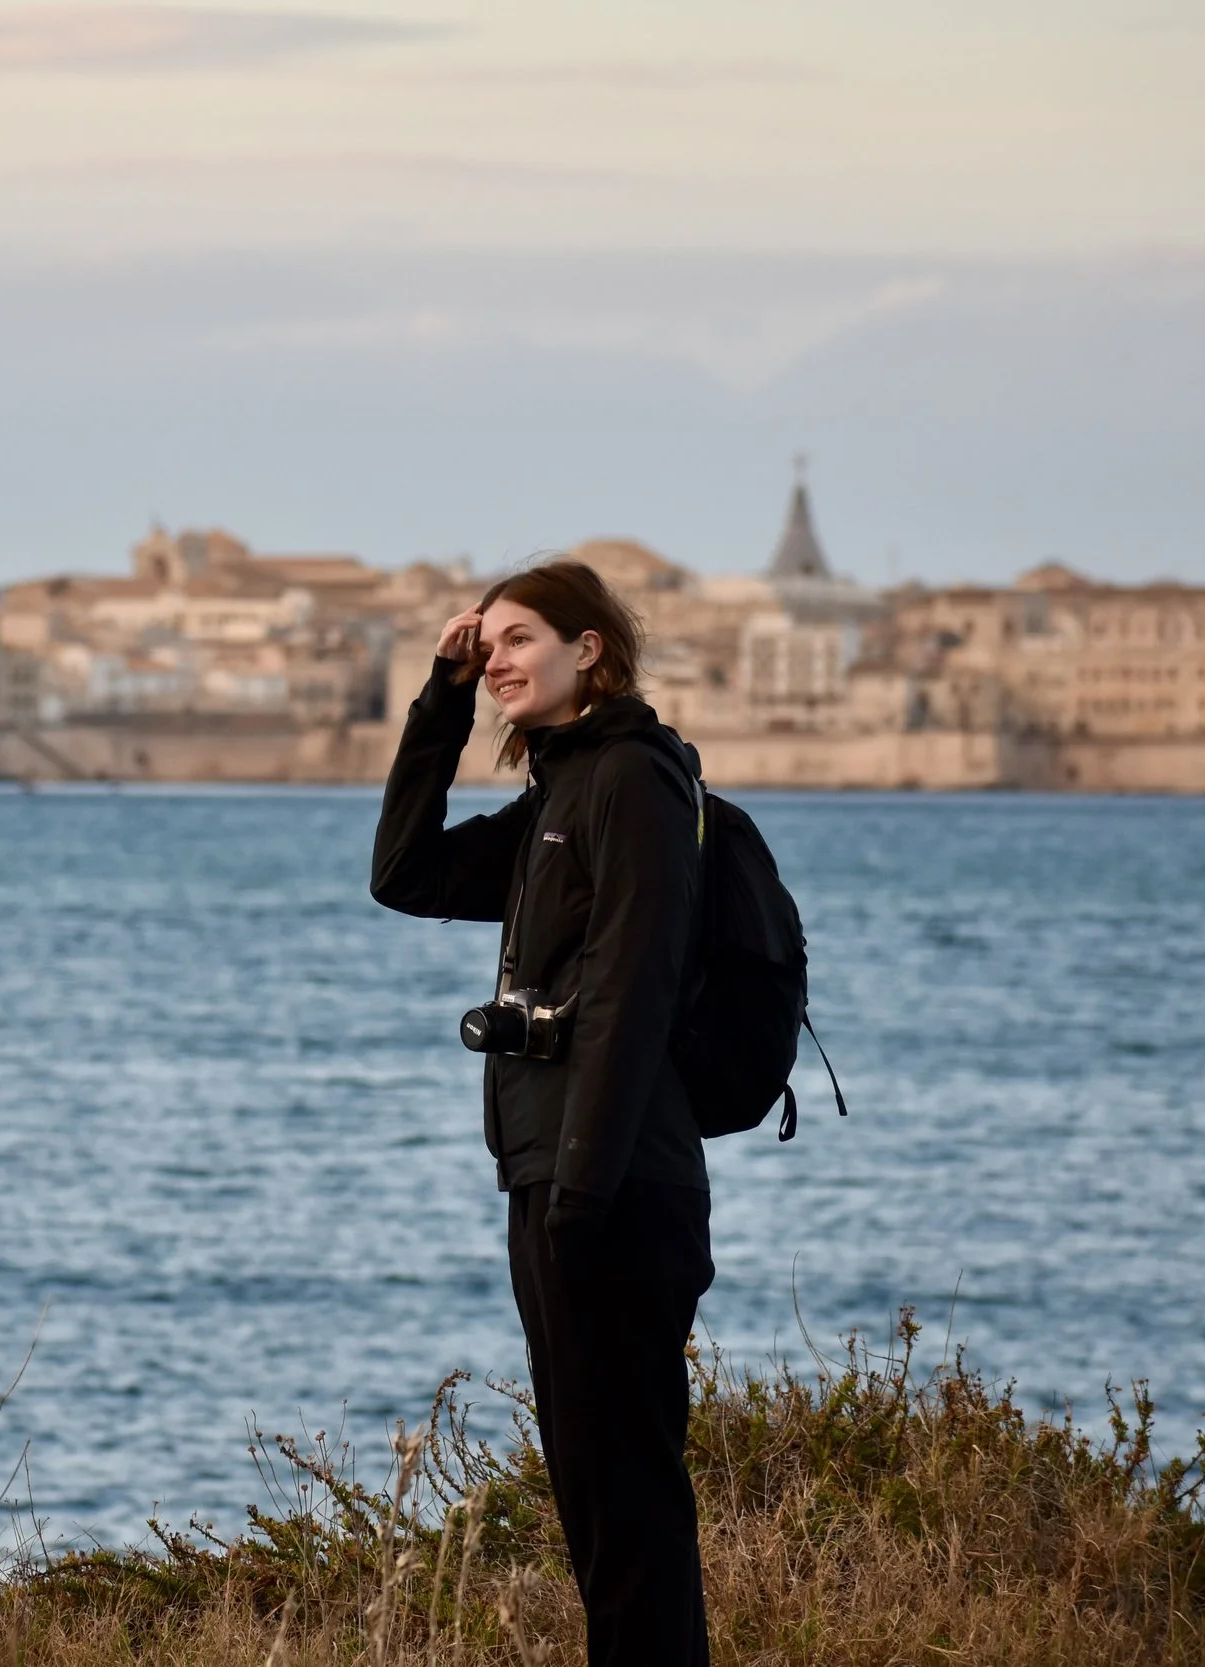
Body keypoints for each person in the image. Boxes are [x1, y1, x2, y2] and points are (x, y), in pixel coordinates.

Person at [370, 561, 713, 1665]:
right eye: (492, 641)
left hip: (609, 1183)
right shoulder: (557, 797)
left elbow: (632, 988)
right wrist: (442, 693)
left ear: (590, 651)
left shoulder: (633, 782)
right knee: (590, 1489)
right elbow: (405, 872)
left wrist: (581, 1187)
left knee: (627, 1494)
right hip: (555, 1175)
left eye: (522, 639)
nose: (501, 657)